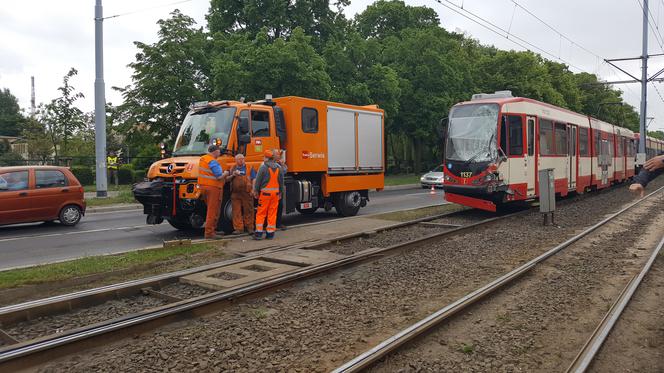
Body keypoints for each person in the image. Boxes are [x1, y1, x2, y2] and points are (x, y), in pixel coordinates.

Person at [253, 150, 284, 240]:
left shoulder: (263, 167)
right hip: (275, 194)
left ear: (266, 158)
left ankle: (258, 233)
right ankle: (270, 233)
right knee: (272, 213)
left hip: (265, 194)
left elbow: (258, 180)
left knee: (261, 213)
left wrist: (255, 191)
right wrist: (281, 192)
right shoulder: (278, 167)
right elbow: (281, 182)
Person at [198, 144, 228, 239]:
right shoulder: (213, 161)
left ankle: (212, 230)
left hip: (204, 187)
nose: (220, 153)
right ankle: (209, 233)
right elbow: (219, 176)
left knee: (210, 210)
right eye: (219, 151)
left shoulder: (203, 159)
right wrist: (226, 173)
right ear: (215, 151)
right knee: (213, 211)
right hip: (213, 188)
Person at [227, 154, 256, 234]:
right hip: (235, 193)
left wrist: (253, 189)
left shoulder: (249, 167)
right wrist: (233, 175)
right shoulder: (232, 168)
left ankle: (250, 227)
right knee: (236, 211)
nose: (241, 160)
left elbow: (254, 179)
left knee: (249, 210)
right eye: (239, 159)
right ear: (236, 160)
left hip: (247, 192)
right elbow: (227, 179)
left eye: (242, 159)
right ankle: (238, 228)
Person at [274, 149, 288, 230]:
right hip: (272, 190)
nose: (278, 155)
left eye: (279, 154)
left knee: (280, 206)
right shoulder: (269, 165)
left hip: (278, 190)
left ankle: (278, 223)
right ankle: (273, 224)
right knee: (273, 208)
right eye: (277, 154)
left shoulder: (279, 164)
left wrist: (283, 164)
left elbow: (285, 171)